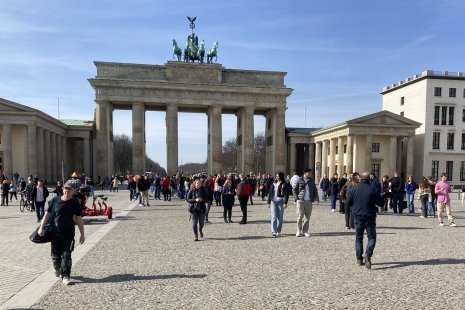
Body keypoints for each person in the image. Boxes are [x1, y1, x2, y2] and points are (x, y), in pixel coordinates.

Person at [38, 179, 85, 285]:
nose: (67, 191)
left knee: (67, 255)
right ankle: (57, 268)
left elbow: (79, 219)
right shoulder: (55, 200)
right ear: (63, 189)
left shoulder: (75, 203)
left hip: (69, 234)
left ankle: (66, 276)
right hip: (55, 233)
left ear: (74, 191)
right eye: (66, 188)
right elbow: (47, 214)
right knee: (55, 257)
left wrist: (82, 234)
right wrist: (41, 228)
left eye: (70, 189)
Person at [346, 171, 383, 269]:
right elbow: (381, 203)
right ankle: (368, 253)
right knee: (371, 237)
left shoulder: (354, 189)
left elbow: (347, 202)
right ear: (369, 178)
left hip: (357, 216)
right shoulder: (373, 189)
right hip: (370, 216)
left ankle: (359, 259)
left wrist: (354, 207)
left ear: (360, 178)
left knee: (358, 238)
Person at [293, 168, 319, 237]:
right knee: (300, 216)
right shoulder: (299, 179)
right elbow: (294, 189)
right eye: (309, 173)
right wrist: (296, 198)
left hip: (309, 201)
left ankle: (305, 231)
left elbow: (315, 190)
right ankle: (298, 230)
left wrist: (317, 199)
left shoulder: (311, 181)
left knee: (307, 217)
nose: (310, 174)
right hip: (300, 200)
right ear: (305, 173)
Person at [267, 172, 289, 237]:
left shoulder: (284, 184)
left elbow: (286, 194)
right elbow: (270, 193)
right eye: (276, 176)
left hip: (280, 201)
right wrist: (268, 202)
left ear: (281, 176)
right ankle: (274, 231)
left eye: (278, 176)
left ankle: (278, 231)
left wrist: (285, 203)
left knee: (280, 217)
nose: (277, 177)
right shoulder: (273, 183)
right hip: (273, 201)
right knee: (273, 216)